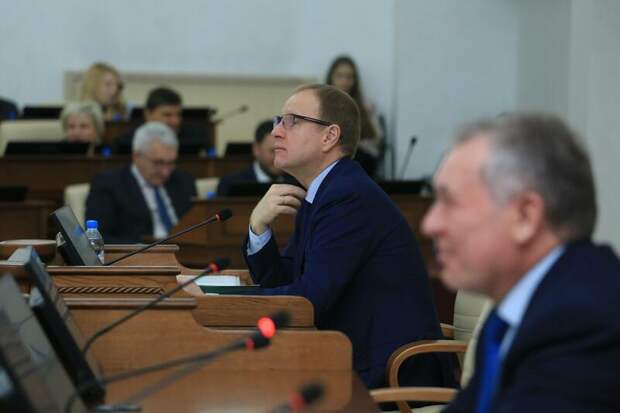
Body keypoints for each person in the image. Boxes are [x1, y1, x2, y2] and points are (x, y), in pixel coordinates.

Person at [243, 84, 452, 389]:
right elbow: (285, 280)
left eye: (292, 121)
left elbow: (308, 300)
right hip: (353, 359)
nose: (276, 131)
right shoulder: (326, 191)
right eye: (278, 121)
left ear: (329, 136)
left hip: (390, 374)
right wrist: (258, 228)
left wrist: (223, 302)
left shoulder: (347, 196)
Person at [422, 114, 620, 412]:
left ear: (525, 216)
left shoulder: (583, 321)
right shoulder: (517, 310)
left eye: (449, 202)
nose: (430, 224)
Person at [86, 122, 196, 243]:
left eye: (170, 163)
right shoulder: (108, 184)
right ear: (136, 156)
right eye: (158, 163)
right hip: (137, 252)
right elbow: (99, 237)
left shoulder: (184, 181)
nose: (165, 172)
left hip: (186, 250)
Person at [326, 55, 383, 177]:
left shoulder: (365, 106)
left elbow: (376, 141)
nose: (344, 81)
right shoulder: (321, 105)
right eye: (340, 76)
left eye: (349, 77)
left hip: (359, 161)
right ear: (331, 78)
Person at [114, 86, 212, 153]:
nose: (175, 121)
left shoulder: (197, 136)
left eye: (178, 115)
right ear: (148, 114)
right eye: (167, 115)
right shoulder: (129, 141)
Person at [216, 119, 290, 196]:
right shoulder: (230, 184)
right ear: (256, 149)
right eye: (273, 151)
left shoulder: (295, 182)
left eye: (282, 151)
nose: (278, 158)